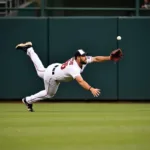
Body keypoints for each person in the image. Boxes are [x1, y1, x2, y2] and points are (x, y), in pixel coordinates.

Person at [16, 42, 122, 112]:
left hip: (55, 67)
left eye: (85, 55)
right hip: (52, 77)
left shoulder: (82, 60)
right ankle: (27, 100)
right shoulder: (74, 67)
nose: (85, 57)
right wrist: (91, 89)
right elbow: (80, 81)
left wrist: (109, 58)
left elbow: (96, 59)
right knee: (49, 94)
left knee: (40, 71)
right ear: (77, 57)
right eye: (82, 56)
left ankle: (29, 50)